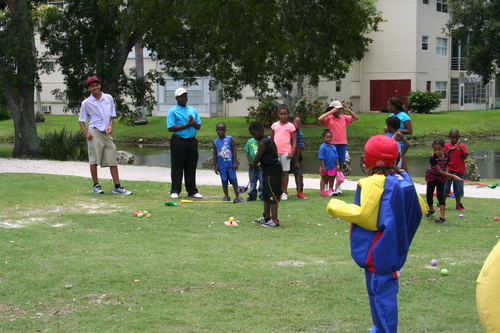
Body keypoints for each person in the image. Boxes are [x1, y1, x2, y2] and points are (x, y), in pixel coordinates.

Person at [326, 135, 426, 333]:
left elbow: (365, 216)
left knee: (380, 297)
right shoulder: (402, 179)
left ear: (371, 159)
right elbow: (419, 209)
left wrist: (335, 206)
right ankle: (378, 329)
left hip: (377, 251)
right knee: (384, 294)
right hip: (395, 250)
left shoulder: (373, 183)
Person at [78, 76, 132, 195]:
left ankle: (117, 187)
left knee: (112, 157)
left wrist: (110, 126)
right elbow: (81, 120)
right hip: (94, 131)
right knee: (94, 159)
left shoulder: (108, 98)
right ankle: (96, 185)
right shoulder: (86, 103)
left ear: (100, 85)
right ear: (89, 88)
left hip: (105, 132)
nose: (95, 87)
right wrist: (86, 133)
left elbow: (112, 116)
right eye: (92, 86)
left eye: (96, 85)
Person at [166, 87, 203, 199]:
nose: (184, 98)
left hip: (191, 141)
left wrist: (194, 122)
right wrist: (188, 125)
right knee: (177, 166)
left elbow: (199, 126)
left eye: (185, 96)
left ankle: (192, 191)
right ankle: (175, 190)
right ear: (177, 98)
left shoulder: (192, 110)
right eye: (181, 96)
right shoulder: (172, 111)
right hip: (178, 141)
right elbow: (171, 127)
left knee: (191, 166)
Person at [318, 100, 358, 194]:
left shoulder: (343, 117)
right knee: (329, 165)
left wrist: (347, 110)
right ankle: (327, 184)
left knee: (340, 164)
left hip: (342, 143)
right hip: (331, 145)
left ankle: (338, 185)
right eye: (337, 109)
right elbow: (320, 119)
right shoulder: (329, 118)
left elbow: (356, 118)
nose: (339, 111)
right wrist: (331, 112)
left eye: (340, 109)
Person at [248, 121, 283, 227]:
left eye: (254, 134)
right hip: (267, 170)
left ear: (260, 131)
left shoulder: (263, 142)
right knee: (266, 195)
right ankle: (266, 217)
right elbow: (265, 157)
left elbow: (256, 159)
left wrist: (254, 167)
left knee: (272, 195)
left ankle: (275, 220)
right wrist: (259, 164)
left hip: (273, 171)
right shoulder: (267, 139)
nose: (253, 137)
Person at [425, 139, 461, 223]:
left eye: (439, 149)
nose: (437, 151)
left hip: (441, 177)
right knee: (429, 195)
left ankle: (442, 217)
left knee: (440, 196)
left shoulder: (447, 156)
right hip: (432, 176)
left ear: (444, 148)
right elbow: (440, 171)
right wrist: (452, 176)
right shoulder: (432, 158)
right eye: (435, 150)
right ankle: (431, 210)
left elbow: (446, 165)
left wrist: (448, 173)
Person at [212, 122, 246, 203]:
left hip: (230, 165)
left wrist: (235, 162)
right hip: (221, 166)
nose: (221, 132)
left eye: (222, 130)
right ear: (216, 131)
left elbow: (234, 150)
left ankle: (238, 196)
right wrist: (215, 166)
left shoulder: (229, 139)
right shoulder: (215, 142)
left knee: (234, 180)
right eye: (219, 130)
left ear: (225, 130)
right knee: (224, 181)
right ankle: (226, 196)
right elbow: (214, 154)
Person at [271, 105, 296, 201]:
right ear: (278, 114)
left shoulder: (290, 126)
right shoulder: (274, 125)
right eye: (281, 114)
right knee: (276, 173)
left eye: (285, 114)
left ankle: (284, 192)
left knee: (285, 172)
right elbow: (271, 140)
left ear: (288, 115)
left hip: (286, 152)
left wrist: (292, 152)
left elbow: (294, 140)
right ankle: (276, 191)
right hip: (275, 152)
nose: (283, 116)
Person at [385, 97, 412, 173]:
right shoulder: (391, 115)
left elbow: (410, 130)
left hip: (400, 145)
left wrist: (396, 131)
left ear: (393, 106)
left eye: (388, 105)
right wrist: (387, 129)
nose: (387, 107)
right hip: (390, 143)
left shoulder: (404, 116)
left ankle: (407, 183)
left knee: (402, 168)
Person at [444, 129, 468, 211]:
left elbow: (465, 157)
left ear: (459, 137)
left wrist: (461, 149)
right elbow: (443, 157)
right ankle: (442, 204)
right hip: (448, 170)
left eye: (456, 138)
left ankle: (458, 204)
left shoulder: (462, 146)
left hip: (459, 170)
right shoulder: (446, 146)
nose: (454, 139)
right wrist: (449, 151)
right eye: (453, 138)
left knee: (458, 189)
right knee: (445, 188)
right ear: (449, 137)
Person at [289, 115, 307, 199]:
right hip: (286, 154)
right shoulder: (287, 131)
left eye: (300, 123)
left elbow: (299, 148)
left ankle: (300, 191)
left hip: (297, 155)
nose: (299, 124)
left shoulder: (299, 134)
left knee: (298, 173)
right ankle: (282, 191)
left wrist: (296, 161)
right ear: (292, 123)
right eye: (297, 122)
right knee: (283, 173)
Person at [319, 129, 340, 196]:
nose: (329, 139)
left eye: (330, 137)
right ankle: (322, 190)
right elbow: (321, 157)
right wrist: (323, 166)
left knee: (332, 177)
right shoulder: (322, 147)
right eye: (327, 137)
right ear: (323, 138)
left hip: (333, 165)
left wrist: (337, 165)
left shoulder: (333, 146)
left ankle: (331, 189)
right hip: (326, 165)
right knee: (324, 178)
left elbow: (336, 156)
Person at [244, 137, 264, 201]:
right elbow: (247, 153)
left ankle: (262, 195)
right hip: (252, 167)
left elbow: (265, 154)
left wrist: (260, 163)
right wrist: (252, 164)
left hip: (261, 167)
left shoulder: (263, 142)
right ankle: (252, 195)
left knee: (262, 182)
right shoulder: (250, 141)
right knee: (252, 181)